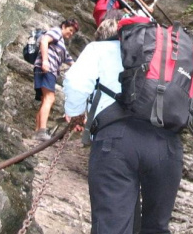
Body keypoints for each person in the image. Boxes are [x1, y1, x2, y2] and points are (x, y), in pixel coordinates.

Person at [64, 14, 183, 234]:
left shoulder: (98, 49)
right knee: (156, 228)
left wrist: (74, 113)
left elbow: (75, 83)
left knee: (113, 226)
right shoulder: (165, 57)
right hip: (168, 145)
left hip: (117, 141)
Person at [34, 18, 79, 141]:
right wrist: (45, 61)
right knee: (50, 98)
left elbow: (70, 61)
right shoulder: (56, 32)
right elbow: (44, 41)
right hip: (46, 69)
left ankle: (38, 131)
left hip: (48, 71)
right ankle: (41, 132)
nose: (71, 34)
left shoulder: (61, 44)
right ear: (64, 26)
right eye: (70, 30)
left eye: (73, 33)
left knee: (45, 100)